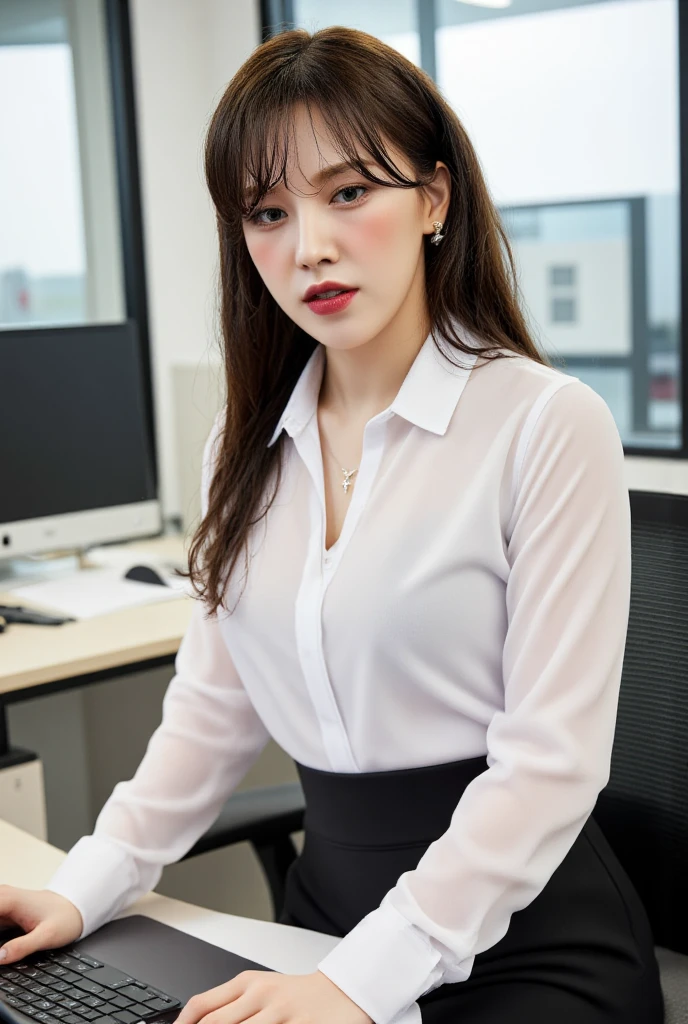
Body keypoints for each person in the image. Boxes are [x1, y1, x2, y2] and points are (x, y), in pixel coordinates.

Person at [0, 24, 664, 1024]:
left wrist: (358, 985)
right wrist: (86, 883)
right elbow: (211, 715)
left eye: (349, 193)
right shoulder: (247, 438)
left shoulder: (544, 423)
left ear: (433, 197)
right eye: (268, 211)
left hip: (521, 941)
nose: (308, 244)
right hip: (324, 923)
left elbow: (549, 766)